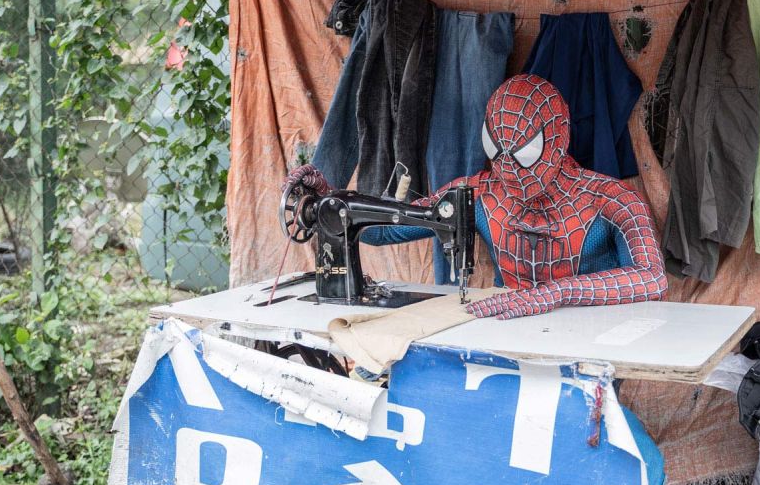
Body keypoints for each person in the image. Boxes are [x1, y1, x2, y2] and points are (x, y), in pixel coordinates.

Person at [286, 73, 669, 320]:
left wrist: (552, 295)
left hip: (594, 347)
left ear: (557, 138)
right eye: (494, 149)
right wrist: (329, 201)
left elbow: (653, 279)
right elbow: (378, 232)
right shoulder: (479, 193)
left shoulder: (612, 199)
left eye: (523, 153)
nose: (507, 168)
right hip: (504, 335)